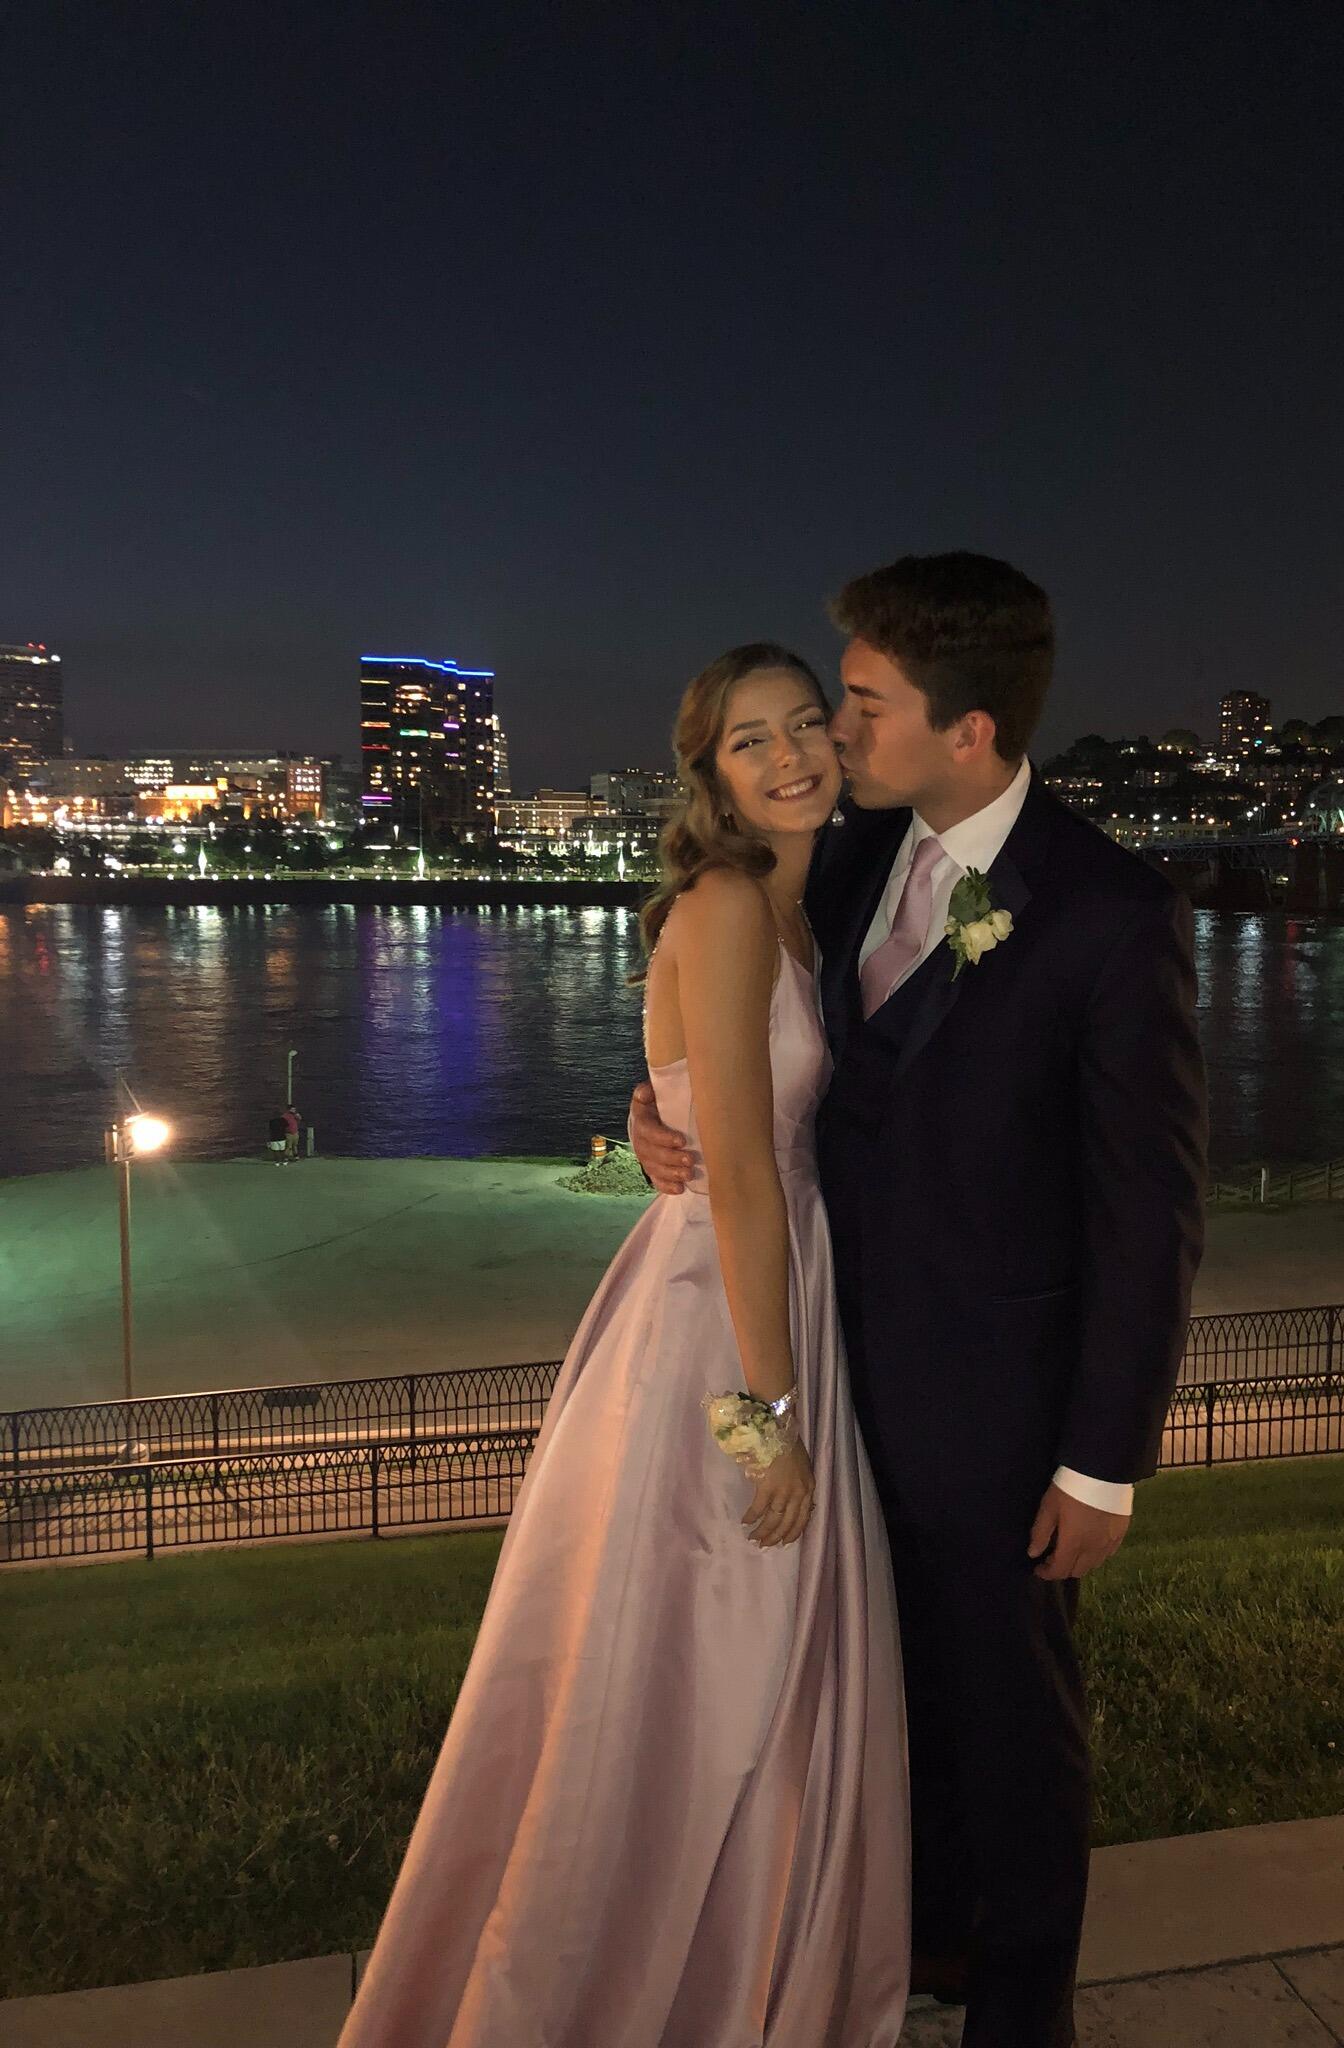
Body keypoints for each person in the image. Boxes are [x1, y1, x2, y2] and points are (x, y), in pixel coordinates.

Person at [632, 553, 1208, 2047]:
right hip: (832, 1368)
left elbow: (1148, 1209)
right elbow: (749, 1050)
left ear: (969, 729)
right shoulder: (838, 859)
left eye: (863, 705)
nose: (835, 735)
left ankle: (1021, 2013)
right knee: (888, 1700)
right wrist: (655, 1108)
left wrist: (1103, 1459)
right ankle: (923, 1945)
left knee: (1014, 1725)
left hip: (1001, 1415)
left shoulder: (1109, 911)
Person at [337, 645, 910, 2048]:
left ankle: (740, 1960)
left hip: (768, 1288)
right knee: (714, 1638)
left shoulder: (800, 906)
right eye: (748, 742)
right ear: (709, 772)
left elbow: (728, 1105)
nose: (788, 758)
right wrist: (769, 1414)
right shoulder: (728, 904)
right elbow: (742, 1176)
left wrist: (660, 1106)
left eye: (802, 727)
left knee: (736, 1650)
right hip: (722, 1321)